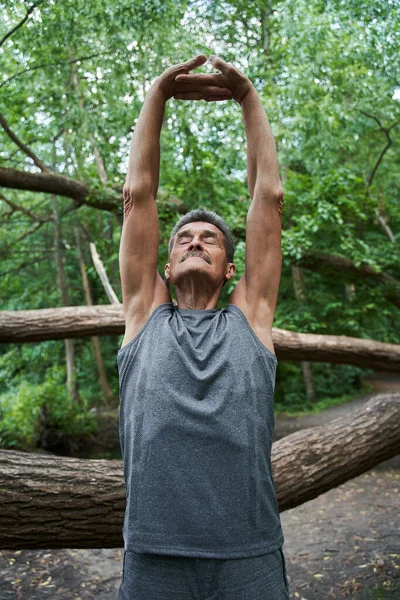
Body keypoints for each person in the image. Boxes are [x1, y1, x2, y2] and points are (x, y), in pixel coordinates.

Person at [117, 54, 289, 600]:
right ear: (164, 268)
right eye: (183, 237)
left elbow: (268, 197)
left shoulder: (250, 317)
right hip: (152, 557)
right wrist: (156, 96)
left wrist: (248, 98)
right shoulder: (144, 316)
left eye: (209, 239)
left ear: (230, 268)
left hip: (250, 556)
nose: (194, 240)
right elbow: (137, 195)